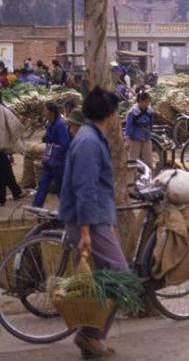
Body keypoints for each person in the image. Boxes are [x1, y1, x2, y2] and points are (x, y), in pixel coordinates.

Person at [59, 86, 126, 358]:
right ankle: (90, 335)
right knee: (121, 277)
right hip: (88, 220)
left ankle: (91, 336)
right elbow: (84, 189)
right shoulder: (88, 142)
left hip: (96, 218)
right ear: (110, 114)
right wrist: (86, 231)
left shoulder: (89, 136)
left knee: (99, 279)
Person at [32, 102, 70, 207]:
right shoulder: (49, 125)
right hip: (49, 161)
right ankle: (36, 207)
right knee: (42, 184)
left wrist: (54, 156)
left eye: (45, 110)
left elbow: (65, 145)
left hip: (58, 163)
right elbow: (49, 141)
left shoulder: (60, 125)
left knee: (61, 189)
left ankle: (67, 211)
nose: (43, 113)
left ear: (51, 112)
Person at [0, 102, 24, 204]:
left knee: (4, 170)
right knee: (4, 170)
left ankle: (13, 192)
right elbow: (16, 125)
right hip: (1, 147)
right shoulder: (3, 109)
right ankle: (15, 192)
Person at [125, 91, 154, 169]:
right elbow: (128, 126)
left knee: (148, 161)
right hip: (135, 138)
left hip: (146, 137)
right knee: (133, 161)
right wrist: (127, 139)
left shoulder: (149, 110)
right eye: (146, 101)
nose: (148, 103)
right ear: (141, 101)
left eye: (149, 101)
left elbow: (151, 122)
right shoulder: (133, 112)